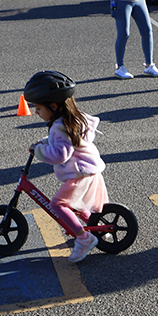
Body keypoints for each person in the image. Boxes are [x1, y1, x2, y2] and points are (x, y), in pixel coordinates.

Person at [23, 71, 108, 263]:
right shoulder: (72, 119)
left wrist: (39, 150)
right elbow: (66, 141)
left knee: (58, 204)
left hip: (80, 172)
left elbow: (60, 154)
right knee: (75, 205)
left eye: (37, 108)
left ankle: (84, 238)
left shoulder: (59, 126)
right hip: (87, 170)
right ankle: (95, 226)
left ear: (53, 106)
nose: (36, 112)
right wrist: (45, 141)